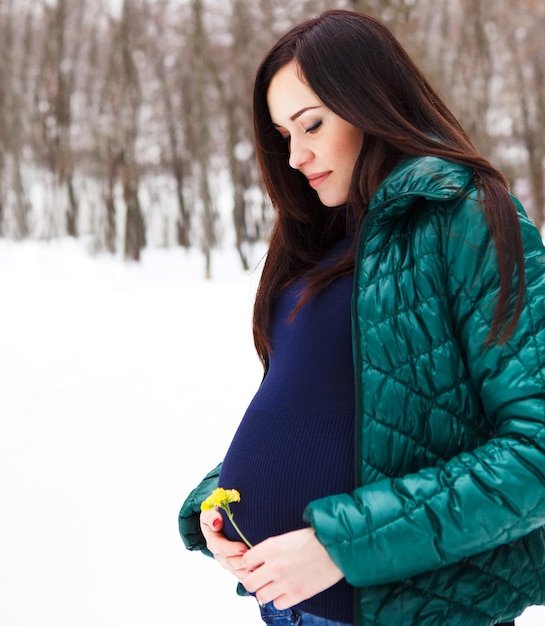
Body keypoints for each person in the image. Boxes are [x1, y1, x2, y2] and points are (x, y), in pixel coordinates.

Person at [178, 9, 545, 626]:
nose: (296, 155)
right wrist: (219, 505)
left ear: (370, 102)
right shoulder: (322, 239)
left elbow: (534, 451)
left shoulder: (468, 216)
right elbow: (348, 412)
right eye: (282, 135)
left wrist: (338, 545)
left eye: (311, 124)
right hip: (293, 608)